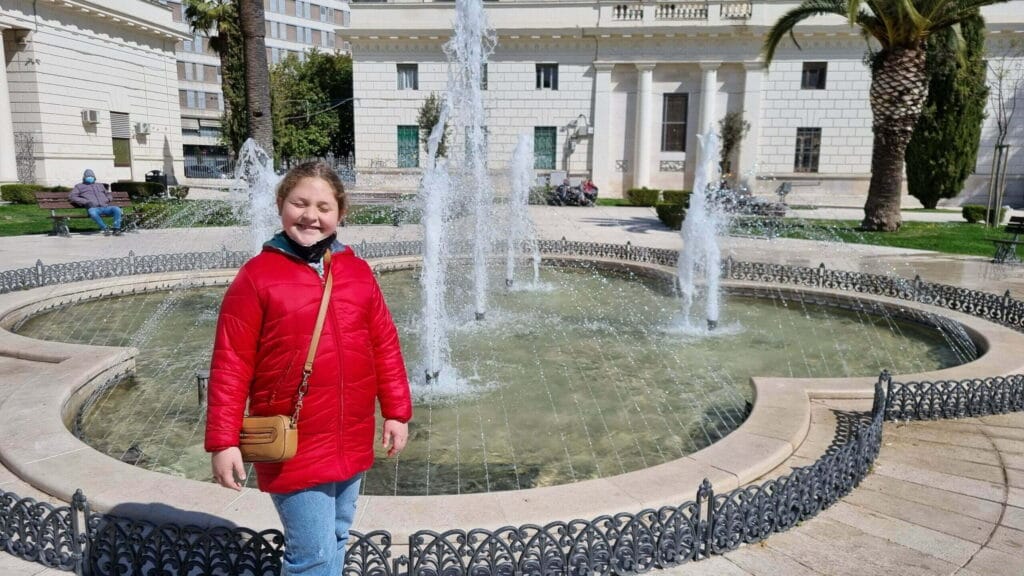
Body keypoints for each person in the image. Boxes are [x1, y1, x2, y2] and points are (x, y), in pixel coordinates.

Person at [204, 161, 412, 576]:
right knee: (311, 554)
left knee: (336, 536)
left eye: (323, 206)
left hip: (350, 434)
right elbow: (231, 363)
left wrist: (396, 412)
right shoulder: (257, 276)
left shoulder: (356, 272)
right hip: (293, 440)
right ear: (281, 205)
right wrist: (223, 441)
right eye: (299, 203)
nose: (311, 216)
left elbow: (384, 346)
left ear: (340, 214)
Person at [68, 169, 123, 235]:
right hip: (94, 208)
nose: (90, 178)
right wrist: (85, 202)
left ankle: (116, 229)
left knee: (117, 209)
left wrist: (108, 199)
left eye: (91, 176)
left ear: (94, 177)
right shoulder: (79, 186)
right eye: (87, 176)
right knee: (92, 213)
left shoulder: (100, 185)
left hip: (105, 206)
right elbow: (72, 197)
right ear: (84, 177)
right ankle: (105, 228)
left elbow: (108, 194)